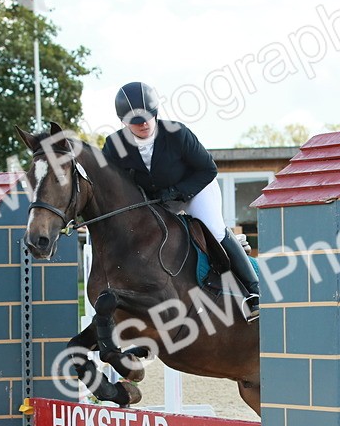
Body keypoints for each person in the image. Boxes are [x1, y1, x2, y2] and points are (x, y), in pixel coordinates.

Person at [102, 81, 259, 320]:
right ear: (123, 122)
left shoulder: (176, 133)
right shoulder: (114, 146)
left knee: (214, 230)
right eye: (136, 121)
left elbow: (208, 169)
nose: (143, 124)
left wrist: (178, 192)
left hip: (196, 190)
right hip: (156, 203)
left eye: (148, 117)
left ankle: (253, 290)